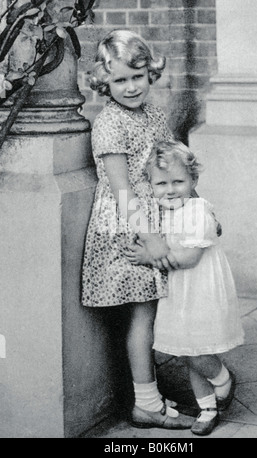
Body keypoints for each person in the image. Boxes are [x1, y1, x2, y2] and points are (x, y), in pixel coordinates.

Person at [81, 29, 194, 429]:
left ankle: (180, 380)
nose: (130, 87)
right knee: (143, 314)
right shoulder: (109, 123)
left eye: (137, 76)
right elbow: (122, 190)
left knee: (164, 307)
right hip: (128, 228)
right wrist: (150, 237)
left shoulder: (153, 115)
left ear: (150, 74)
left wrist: (196, 208)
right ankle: (146, 401)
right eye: (119, 80)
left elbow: (172, 169)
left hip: (157, 216)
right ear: (104, 82)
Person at [125, 140, 244, 436]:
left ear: (194, 181)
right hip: (180, 293)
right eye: (162, 183)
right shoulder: (163, 212)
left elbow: (190, 258)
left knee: (198, 351)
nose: (170, 190)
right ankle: (207, 408)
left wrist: (150, 258)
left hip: (201, 290)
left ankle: (222, 380)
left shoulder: (197, 212)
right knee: (188, 349)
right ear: (151, 185)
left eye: (179, 181)